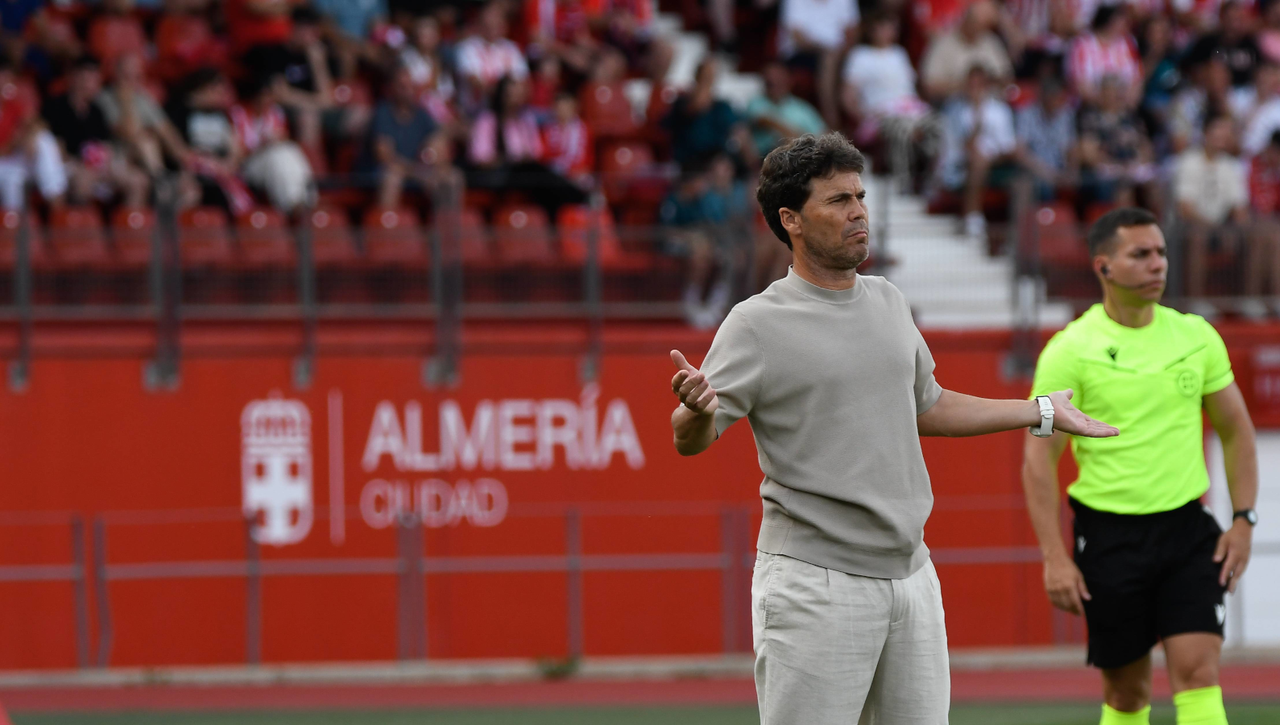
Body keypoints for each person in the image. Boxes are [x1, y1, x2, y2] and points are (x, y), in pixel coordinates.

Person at [669, 132, 1118, 725]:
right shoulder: (755, 323)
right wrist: (695, 411)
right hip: (814, 585)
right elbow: (690, 437)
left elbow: (926, 405)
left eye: (860, 196)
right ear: (790, 220)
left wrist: (1038, 411)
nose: (858, 212)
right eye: (837, 200)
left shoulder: (888, 300)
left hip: (912, 576)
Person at [1022, 206, 1258, 725]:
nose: (1158, 265)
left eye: (1162, 253)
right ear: (1103, 266)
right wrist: (1054, 557)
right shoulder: (1069, 350)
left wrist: (1244, 519)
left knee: (1198, 676)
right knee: (1127, 696)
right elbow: (1039, 461)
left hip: (1187, 532)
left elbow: (1237, 430)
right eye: (1141, 254)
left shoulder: (1196, 336)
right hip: (1109, 538)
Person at [42, 54, 148, 207]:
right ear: (75, 77)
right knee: (83, 181)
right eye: (88, 78)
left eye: (95, 78)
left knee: (138, 181)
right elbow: (54, 150)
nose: (93, 84)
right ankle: (78, 226)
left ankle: (128, 228)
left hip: (96, 166)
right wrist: (82, 166)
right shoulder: (55, 106)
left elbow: (103, 145)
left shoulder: (97, 111)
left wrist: (108, 164)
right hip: (69, 166)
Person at [1174, 113, 1249, 302]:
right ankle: (1195, 300)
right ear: (1206, 133)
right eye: (1218, 131)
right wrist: (1214, 228)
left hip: (1222, 227)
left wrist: (1237, 229)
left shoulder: (1232, 165)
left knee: (1263, 236)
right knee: (1198, 236)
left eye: (1227, 132)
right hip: (1189, 228)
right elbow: (1185, 208)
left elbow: (1239, 207)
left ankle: (1249, 299)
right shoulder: (1188, 161)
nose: (1223, 136)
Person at [938, 65, 1018, 241]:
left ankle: (977, 220)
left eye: (979, 85)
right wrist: (977, 115)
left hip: (997, 162)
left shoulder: (1000, 110)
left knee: (984, 160)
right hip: (961, 161)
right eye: (971, 85)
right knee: (977, 160)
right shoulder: (956, 110)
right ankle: (973, 218)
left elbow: (1009, 146)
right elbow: (963, 146)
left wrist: (992, 156)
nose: (975, 89)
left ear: (986, 86)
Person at [363, 64, 449, 209]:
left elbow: (440, 146)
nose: (407, 91)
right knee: (391, 177)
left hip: (414, 171)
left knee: (451, 178)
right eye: (402, 86)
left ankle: (445, 228)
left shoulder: (422, 115)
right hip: (381, 172)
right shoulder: (382, 113)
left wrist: (434, 154)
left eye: (411, 86)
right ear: (392, 88)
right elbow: (385, 157)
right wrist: (418, 172)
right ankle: (387, 226)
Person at [919, 0, 1013, 104]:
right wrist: (964, 86)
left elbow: (1007, 78)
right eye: (975, 23)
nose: (978, 29)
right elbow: (928, 86)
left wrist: (987, 82)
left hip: (991, 103)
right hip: (953, 105)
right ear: (965, 20)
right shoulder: (943, 43)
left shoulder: (991, 42)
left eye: (983, 25)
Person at [745, 61, 825, 158]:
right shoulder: (756, 102)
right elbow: (764, 121)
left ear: (789, 80)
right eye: (770, 82)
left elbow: (823, 134)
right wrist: (795, 137)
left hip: (800, 158)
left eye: (778, 80)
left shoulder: (802, 107)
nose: (774, 83)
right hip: (766, 158)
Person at [1016, 75, 1078, 199]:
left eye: (1059, 98)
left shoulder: (1066, 114)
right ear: (1043, 97)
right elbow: (1020, 153)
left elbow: (1071, 148)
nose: (1057, 102)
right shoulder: (1026, 113)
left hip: (1060, 171)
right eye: (1053, 97)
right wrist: (1047, 174)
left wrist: (1071, 171)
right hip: (1035, 171)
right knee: (1038, 186)